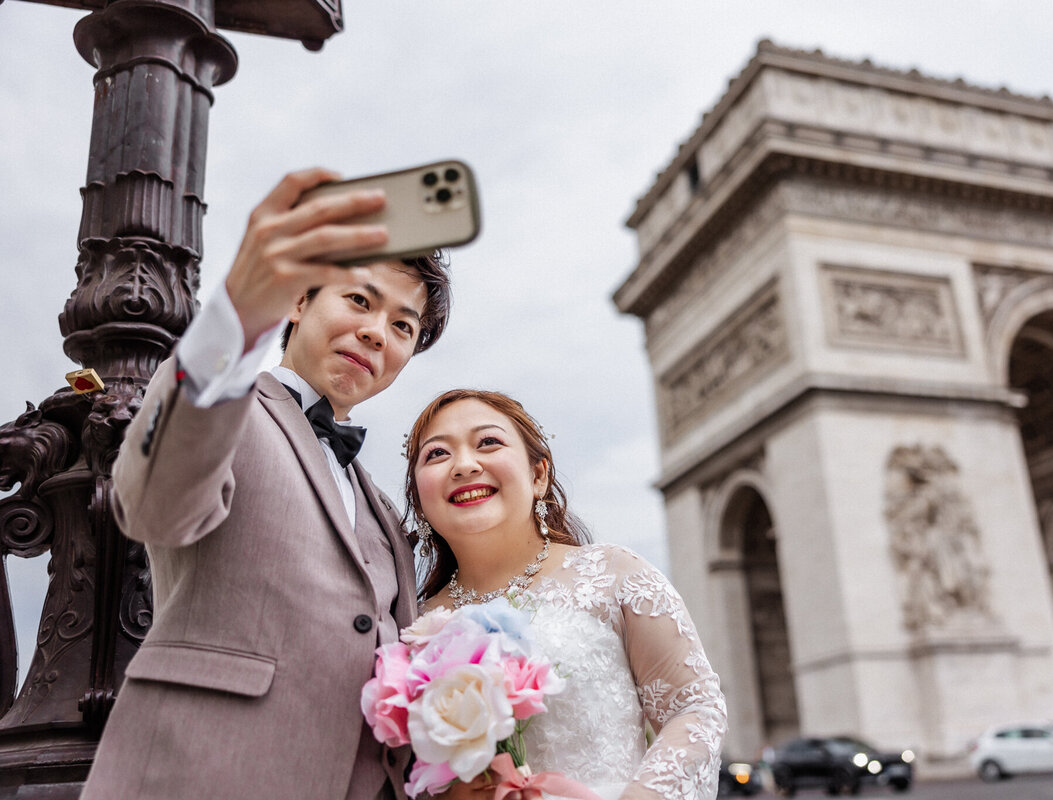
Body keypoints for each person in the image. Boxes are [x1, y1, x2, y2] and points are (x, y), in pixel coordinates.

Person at [82, 168, 451, 800]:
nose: (375, 332)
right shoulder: (224, 399)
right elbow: (152, 503)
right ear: (300, 301)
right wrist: (237, 316)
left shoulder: (384, 507)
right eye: (359, 300)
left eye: (402, 326)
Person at [403, 389, 727, 800]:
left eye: (488, 442)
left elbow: (694, 710)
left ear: (538, 475)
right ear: (418, 495)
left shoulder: (613, 575)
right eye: (436, 454)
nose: (465, 465)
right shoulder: (412, 628)